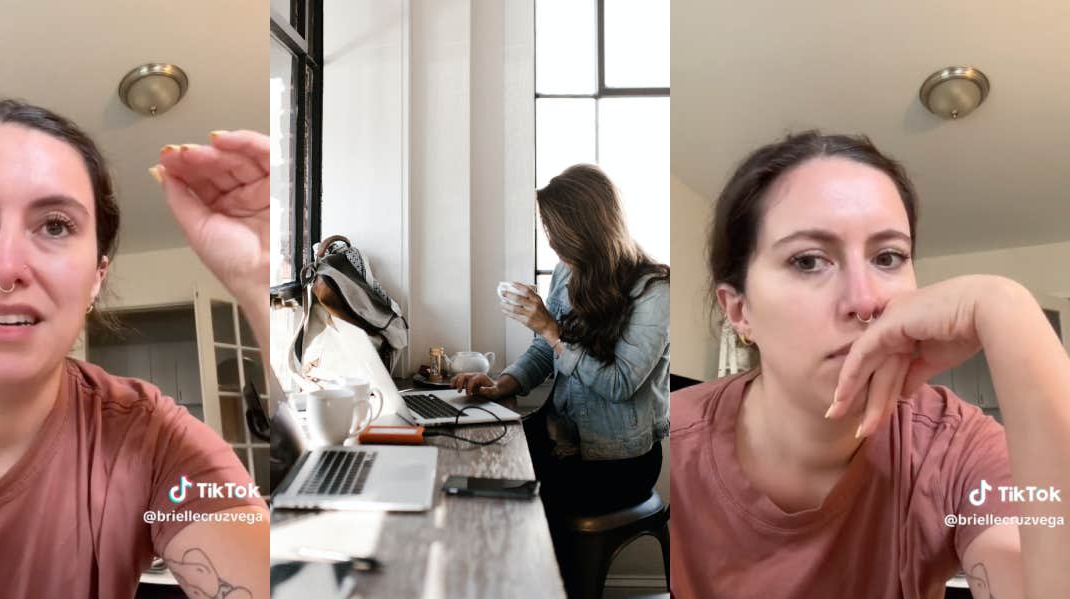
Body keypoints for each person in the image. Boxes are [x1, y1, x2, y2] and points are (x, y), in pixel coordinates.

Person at [0, 98, 273, 598]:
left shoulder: (154, 443)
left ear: (96, 279)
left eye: (55, 225)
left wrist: (262, 284)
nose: (7, 267)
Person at [668, 131, 1070, 598]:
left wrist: (1009, 312)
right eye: (807, 261)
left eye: (888, 257)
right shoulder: (676, 442)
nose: (864, 302)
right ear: (739, 311)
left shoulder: (955, 449)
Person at [450, 164, 670, 585]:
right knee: (475, 466)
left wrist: (550, 329)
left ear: (586, 229)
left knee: (523, 507)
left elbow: (619, 384)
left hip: (618, 462)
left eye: (556, 234)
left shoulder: (654, 290)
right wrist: (502, 385)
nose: (552, 245)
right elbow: (543, 351)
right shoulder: (569, 272)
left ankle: (544, 588)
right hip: (563, 440)